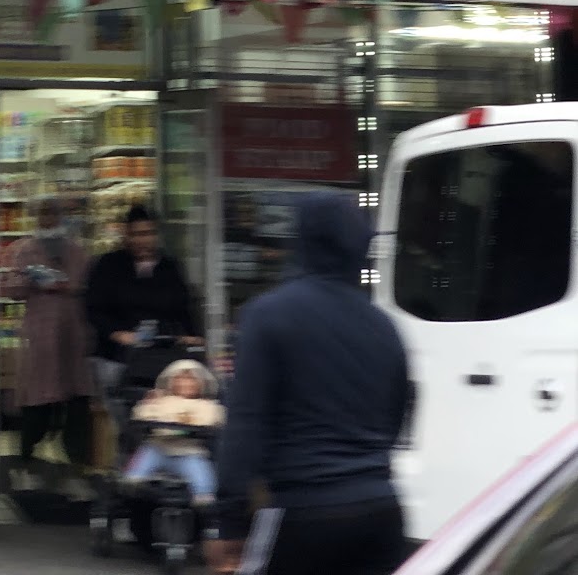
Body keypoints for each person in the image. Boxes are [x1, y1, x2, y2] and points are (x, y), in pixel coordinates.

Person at [208, 191, 412, 575]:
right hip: (380, 510)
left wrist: (229, 520)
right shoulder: (384, 326)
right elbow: (398, 411)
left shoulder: (268, 315)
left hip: (303, 509)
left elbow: (246, 423)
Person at [2, 195, 93, 486]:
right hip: (41, 336)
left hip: (72, 335)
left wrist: (67, 285)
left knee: (76, 402)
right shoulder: (24, 250)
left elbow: (89, 286)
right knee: (37, 401)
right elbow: (10, 289)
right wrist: (30, 280)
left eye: (52, 213)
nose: (48, 218)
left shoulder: (77, 251)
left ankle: (77, 467)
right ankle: (27, 463)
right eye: (43, 213)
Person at [86, 203, 201, 378]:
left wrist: (191, 336)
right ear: (127, 236)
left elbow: (183, 307)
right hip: (117, 357)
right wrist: (116, 333)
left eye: (148, 234)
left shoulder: (169, 267)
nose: (142, 241)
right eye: (136, 235)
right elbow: (94, 308)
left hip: (163, 355)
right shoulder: (109, 265)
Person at [124, 356, 223, 503]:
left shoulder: (207, 405)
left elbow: (213, 419)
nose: (185, 383)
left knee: (203, 478)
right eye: (180, 379)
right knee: (143, 458)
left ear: (201, 382)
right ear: (171, 381)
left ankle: (203, 497)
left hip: (189, 452)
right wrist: (148, 404)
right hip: (158, 447)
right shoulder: (161, 401)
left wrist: (189, 422)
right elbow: (141, 415)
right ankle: (132, 483)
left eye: (191, 379)